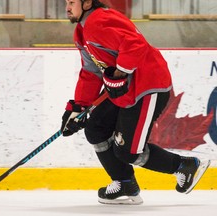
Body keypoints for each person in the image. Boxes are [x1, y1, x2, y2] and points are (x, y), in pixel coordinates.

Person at [61, 0, 210, 205]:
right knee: (96, 129)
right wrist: (79, 107)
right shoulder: (81, 32)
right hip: (124, 89)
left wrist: (121, 72)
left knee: (128, 152)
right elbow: (91, 72)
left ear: (87, 3)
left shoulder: (100, 20)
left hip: (147, 87)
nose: (67, 7)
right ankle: (124, 182)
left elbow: (135, 43)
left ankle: (184, 166)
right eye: (66, 2)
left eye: (72, 2)